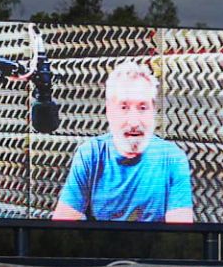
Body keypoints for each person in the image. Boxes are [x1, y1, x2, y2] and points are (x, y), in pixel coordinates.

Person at [52, 61, 193, 223]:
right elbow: (63, 226)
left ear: (154, 111)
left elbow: (181, 236)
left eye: (142, 108)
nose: (134, 122)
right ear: (109, 111)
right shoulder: (91, 154)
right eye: (124, 107)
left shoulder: (173, 158)